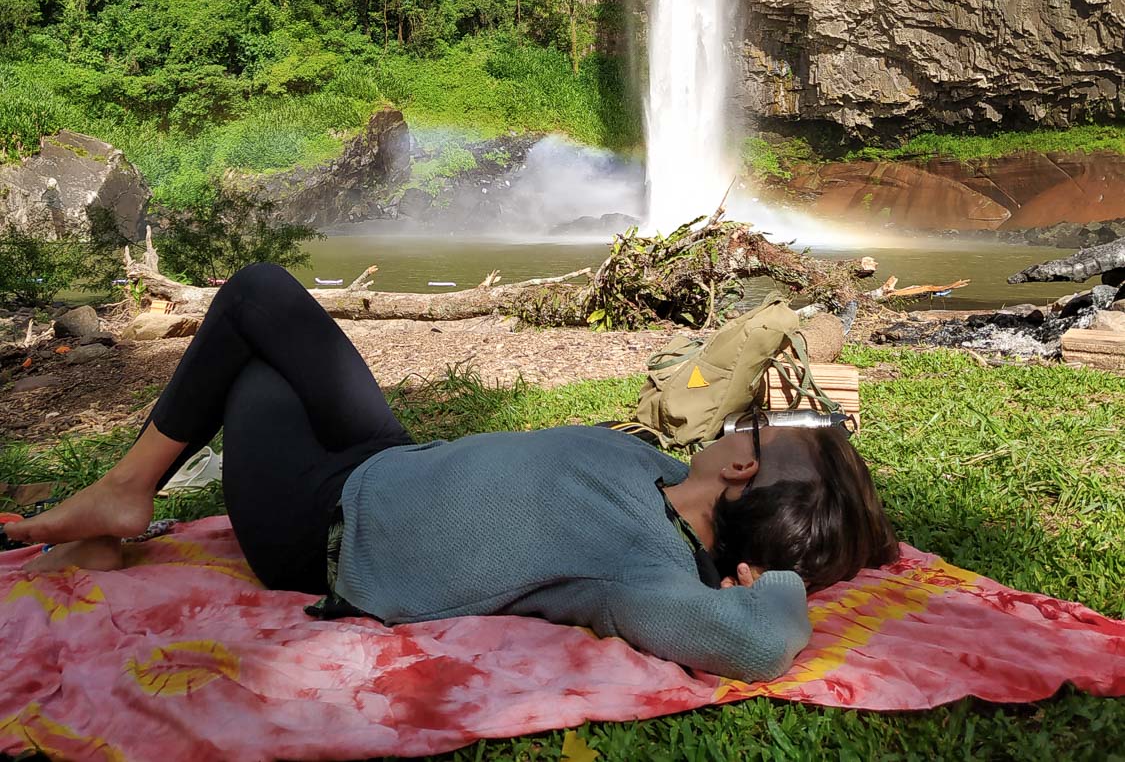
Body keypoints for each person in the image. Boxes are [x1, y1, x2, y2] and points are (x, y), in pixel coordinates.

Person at [7, 264, 897, 682]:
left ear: (738, 467)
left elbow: (750, 644)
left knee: (246, 335)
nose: (739, 424)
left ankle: (127, 493)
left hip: (314, 529)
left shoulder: (639, 574)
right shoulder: (658, 469)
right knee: (264, 298)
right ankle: (123, 497)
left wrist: (778, 581)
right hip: (381, 462)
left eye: (752, 428)